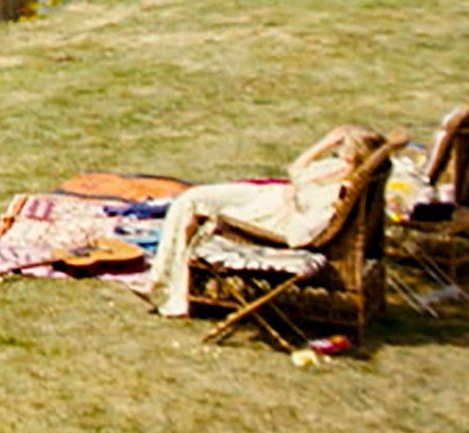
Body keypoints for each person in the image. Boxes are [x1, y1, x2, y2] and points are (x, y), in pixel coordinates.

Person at [141, 124, 394, 318]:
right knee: (189, 198)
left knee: (191, 212)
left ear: (353, 155)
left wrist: (294, 198)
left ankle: (172, 293)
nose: (339, 150)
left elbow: (300, 234)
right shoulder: (337, 168)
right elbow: (295, 169)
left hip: (271, 217)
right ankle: (162, 280)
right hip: (267, 196)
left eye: (342, 146)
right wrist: (323, 144)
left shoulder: (338, 193)